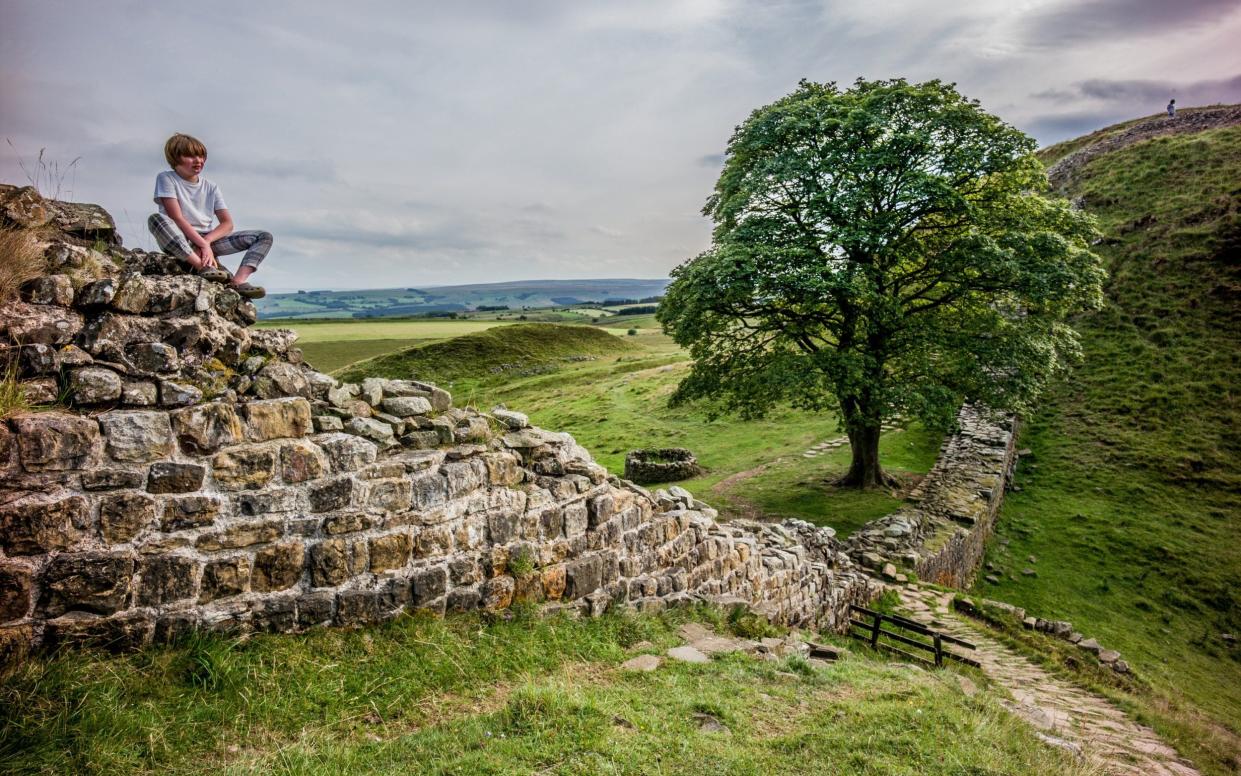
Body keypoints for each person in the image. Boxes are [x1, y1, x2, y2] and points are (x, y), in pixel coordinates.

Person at [148, 133, 270, 299]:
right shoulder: (166, 178)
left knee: (263, 236)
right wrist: (203, 246)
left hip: (209, 239)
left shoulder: (211, 187)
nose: (198, 160)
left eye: (201, 156)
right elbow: (176, 217)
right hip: (179, 238)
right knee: (157, 219)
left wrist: (206, 243)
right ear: (175, 158)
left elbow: (227, 224)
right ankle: (203, 268)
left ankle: (238, 281)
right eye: (190, 156)